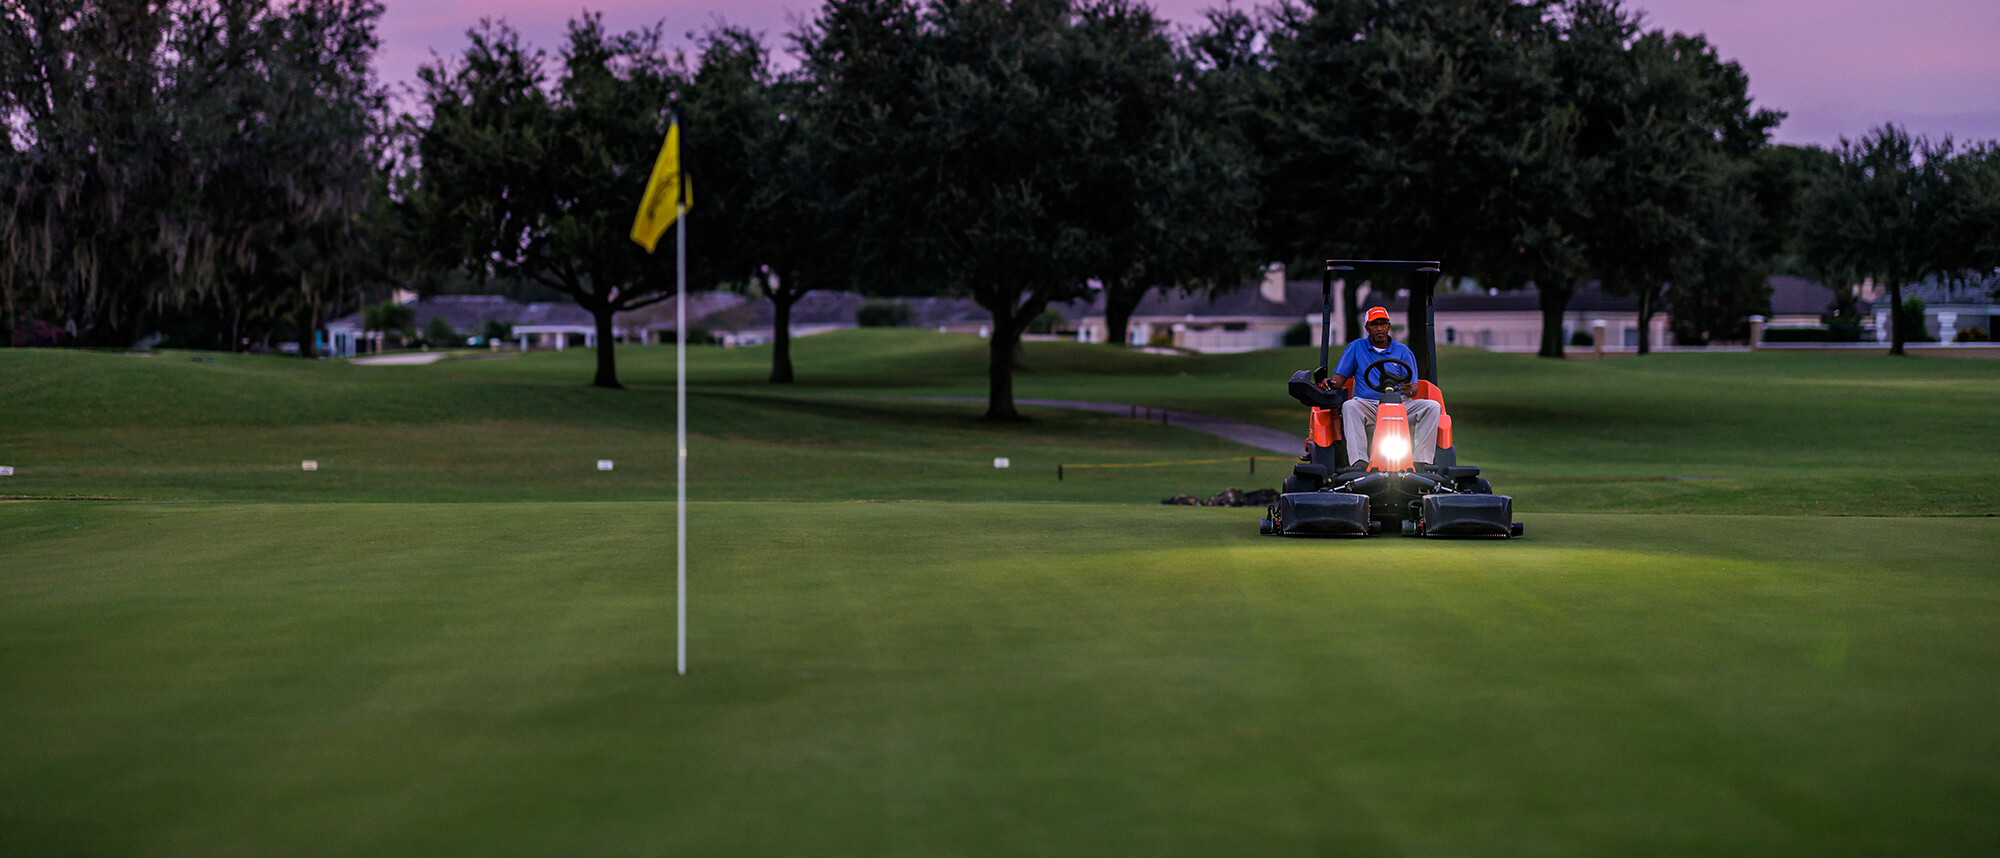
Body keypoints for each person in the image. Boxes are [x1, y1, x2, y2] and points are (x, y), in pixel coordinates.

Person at [1328, 306, 1440, 469]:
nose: (1379, 328)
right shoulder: (1356, 347)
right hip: (1368, 405)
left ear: (1388, 326)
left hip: (1400, 406)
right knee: (1349, 405)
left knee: (1432, 407)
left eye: (1383, 324)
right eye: (1374, 324)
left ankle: (1421, 462)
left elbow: (1413, 386)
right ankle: (1359, 462)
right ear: (1367, 327)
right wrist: (1329, 383)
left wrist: (1410, 389)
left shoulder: (1403, 351)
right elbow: (1338, 379)